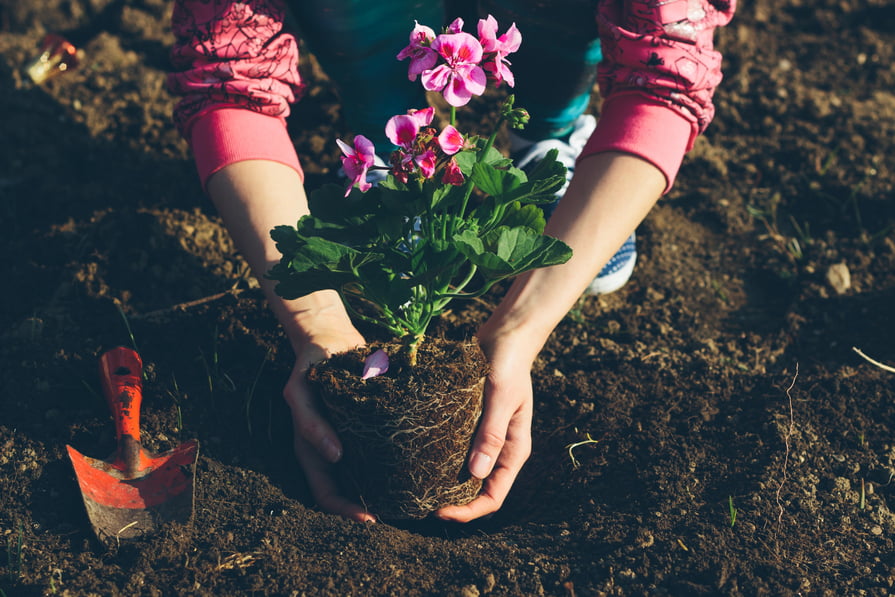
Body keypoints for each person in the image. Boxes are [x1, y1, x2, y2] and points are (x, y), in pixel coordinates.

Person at [167, 0, 737, 523]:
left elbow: (667, 74)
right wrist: (316, 324)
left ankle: (547, 135)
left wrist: (522, 325)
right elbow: (228, 74)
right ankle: (399, 152)